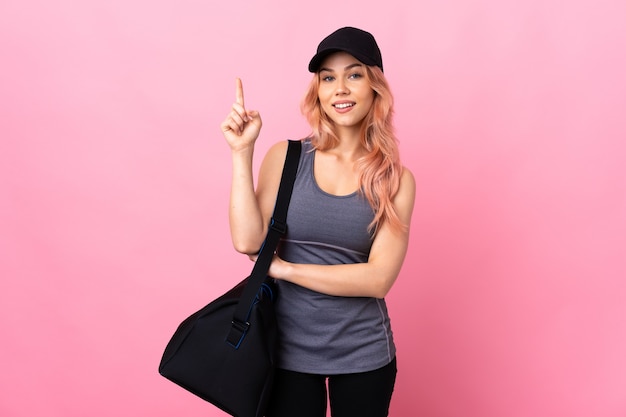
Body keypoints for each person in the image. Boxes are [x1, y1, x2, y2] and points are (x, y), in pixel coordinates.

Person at [220, 26, 415, 417]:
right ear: (318, 91)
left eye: (354, 74)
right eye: (328, 77)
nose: (340, 88)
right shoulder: (287, 157)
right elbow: (247, 242)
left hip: (364, 354)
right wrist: (242, 153)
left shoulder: (396, 179)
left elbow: (378, 278)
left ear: (375, 86)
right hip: (285, 352)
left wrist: (285, 269)